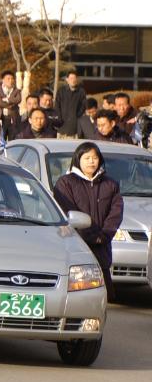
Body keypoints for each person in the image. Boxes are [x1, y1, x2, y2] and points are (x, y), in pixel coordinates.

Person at [52, 141, 123, 294]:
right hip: (75, 243)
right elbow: (67, 211)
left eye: (95, 157)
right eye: (87, 158)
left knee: (103, 293)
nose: (91, 161)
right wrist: (88, 235)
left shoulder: (110, 184)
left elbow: (115, 213)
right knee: (76, 291)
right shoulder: (65, 183)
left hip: (101, 246)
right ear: (78, 159)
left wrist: (104, 235)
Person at [57, 71, 86, 137]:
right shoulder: (61, 91)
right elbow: (57, 105)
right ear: (67, 80)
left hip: (75, 127)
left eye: (74, 78)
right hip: (62, 127)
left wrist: (76, 116)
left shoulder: (81, 91)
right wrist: (59, 119)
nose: (73, 80)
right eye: (71, 78)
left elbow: (83, 106)